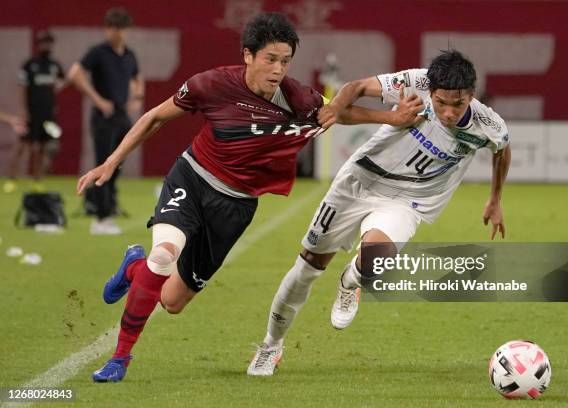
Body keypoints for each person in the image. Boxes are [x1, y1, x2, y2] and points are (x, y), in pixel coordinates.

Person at [76, 12, 419, 383]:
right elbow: (155, 117)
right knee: (163, 256)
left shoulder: (298, 99)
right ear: (248, 55)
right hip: (192, 180)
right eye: (270, 59)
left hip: (235, 207)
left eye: (285, 61)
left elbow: (336, 112)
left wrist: (392, 118)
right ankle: (120, 359)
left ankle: (132, 268)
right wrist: (110, 163)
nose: (277, 69)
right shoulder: (211, 84)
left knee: (172, 302)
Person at [247, 50, 512, 376]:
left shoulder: (488, 125)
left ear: (472, 95)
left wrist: (495, 199)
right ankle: (271, 345)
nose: (447, 112)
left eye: (457, 105)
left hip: (408, 200)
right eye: (441, 102)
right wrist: (333, 111)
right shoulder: (414, 82)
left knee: (375, 259)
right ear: (431, 90)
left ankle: (352, 280)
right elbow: (355, 87)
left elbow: (502, 150)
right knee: (307, 270)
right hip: (358, 182)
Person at [68, 7, 143, 235]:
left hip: (122, 116)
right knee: (104, 163)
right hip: (103, 117)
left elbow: (137, 77)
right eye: (113, 28)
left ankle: (108, 207)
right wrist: (98, 100)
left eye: (121, 28)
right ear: (107, 29)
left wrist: (137, 97)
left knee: (118, 163)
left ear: (127, 30)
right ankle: (100, 219)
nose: (117, 33)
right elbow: (74, 73)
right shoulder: (98, 52)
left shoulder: (129, 54)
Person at [3, 31, 64, 194]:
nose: (46, 46)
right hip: (31, 113)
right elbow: (23, 88)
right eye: (44, 42)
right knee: (22, 146)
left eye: (49, 42)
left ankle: (37, 180)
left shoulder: (54, 65)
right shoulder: (30, 64)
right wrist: (23, 109)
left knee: (42, 148)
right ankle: (11, 179)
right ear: (38, 44)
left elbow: (61, 82)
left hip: (47, 114)